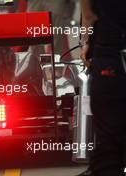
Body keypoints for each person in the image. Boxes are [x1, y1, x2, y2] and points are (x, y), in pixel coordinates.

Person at [80, 0, 126, 176]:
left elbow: (89, 15)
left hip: (111, 49)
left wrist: (85, 41)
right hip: (111, 48)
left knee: (109, 135)